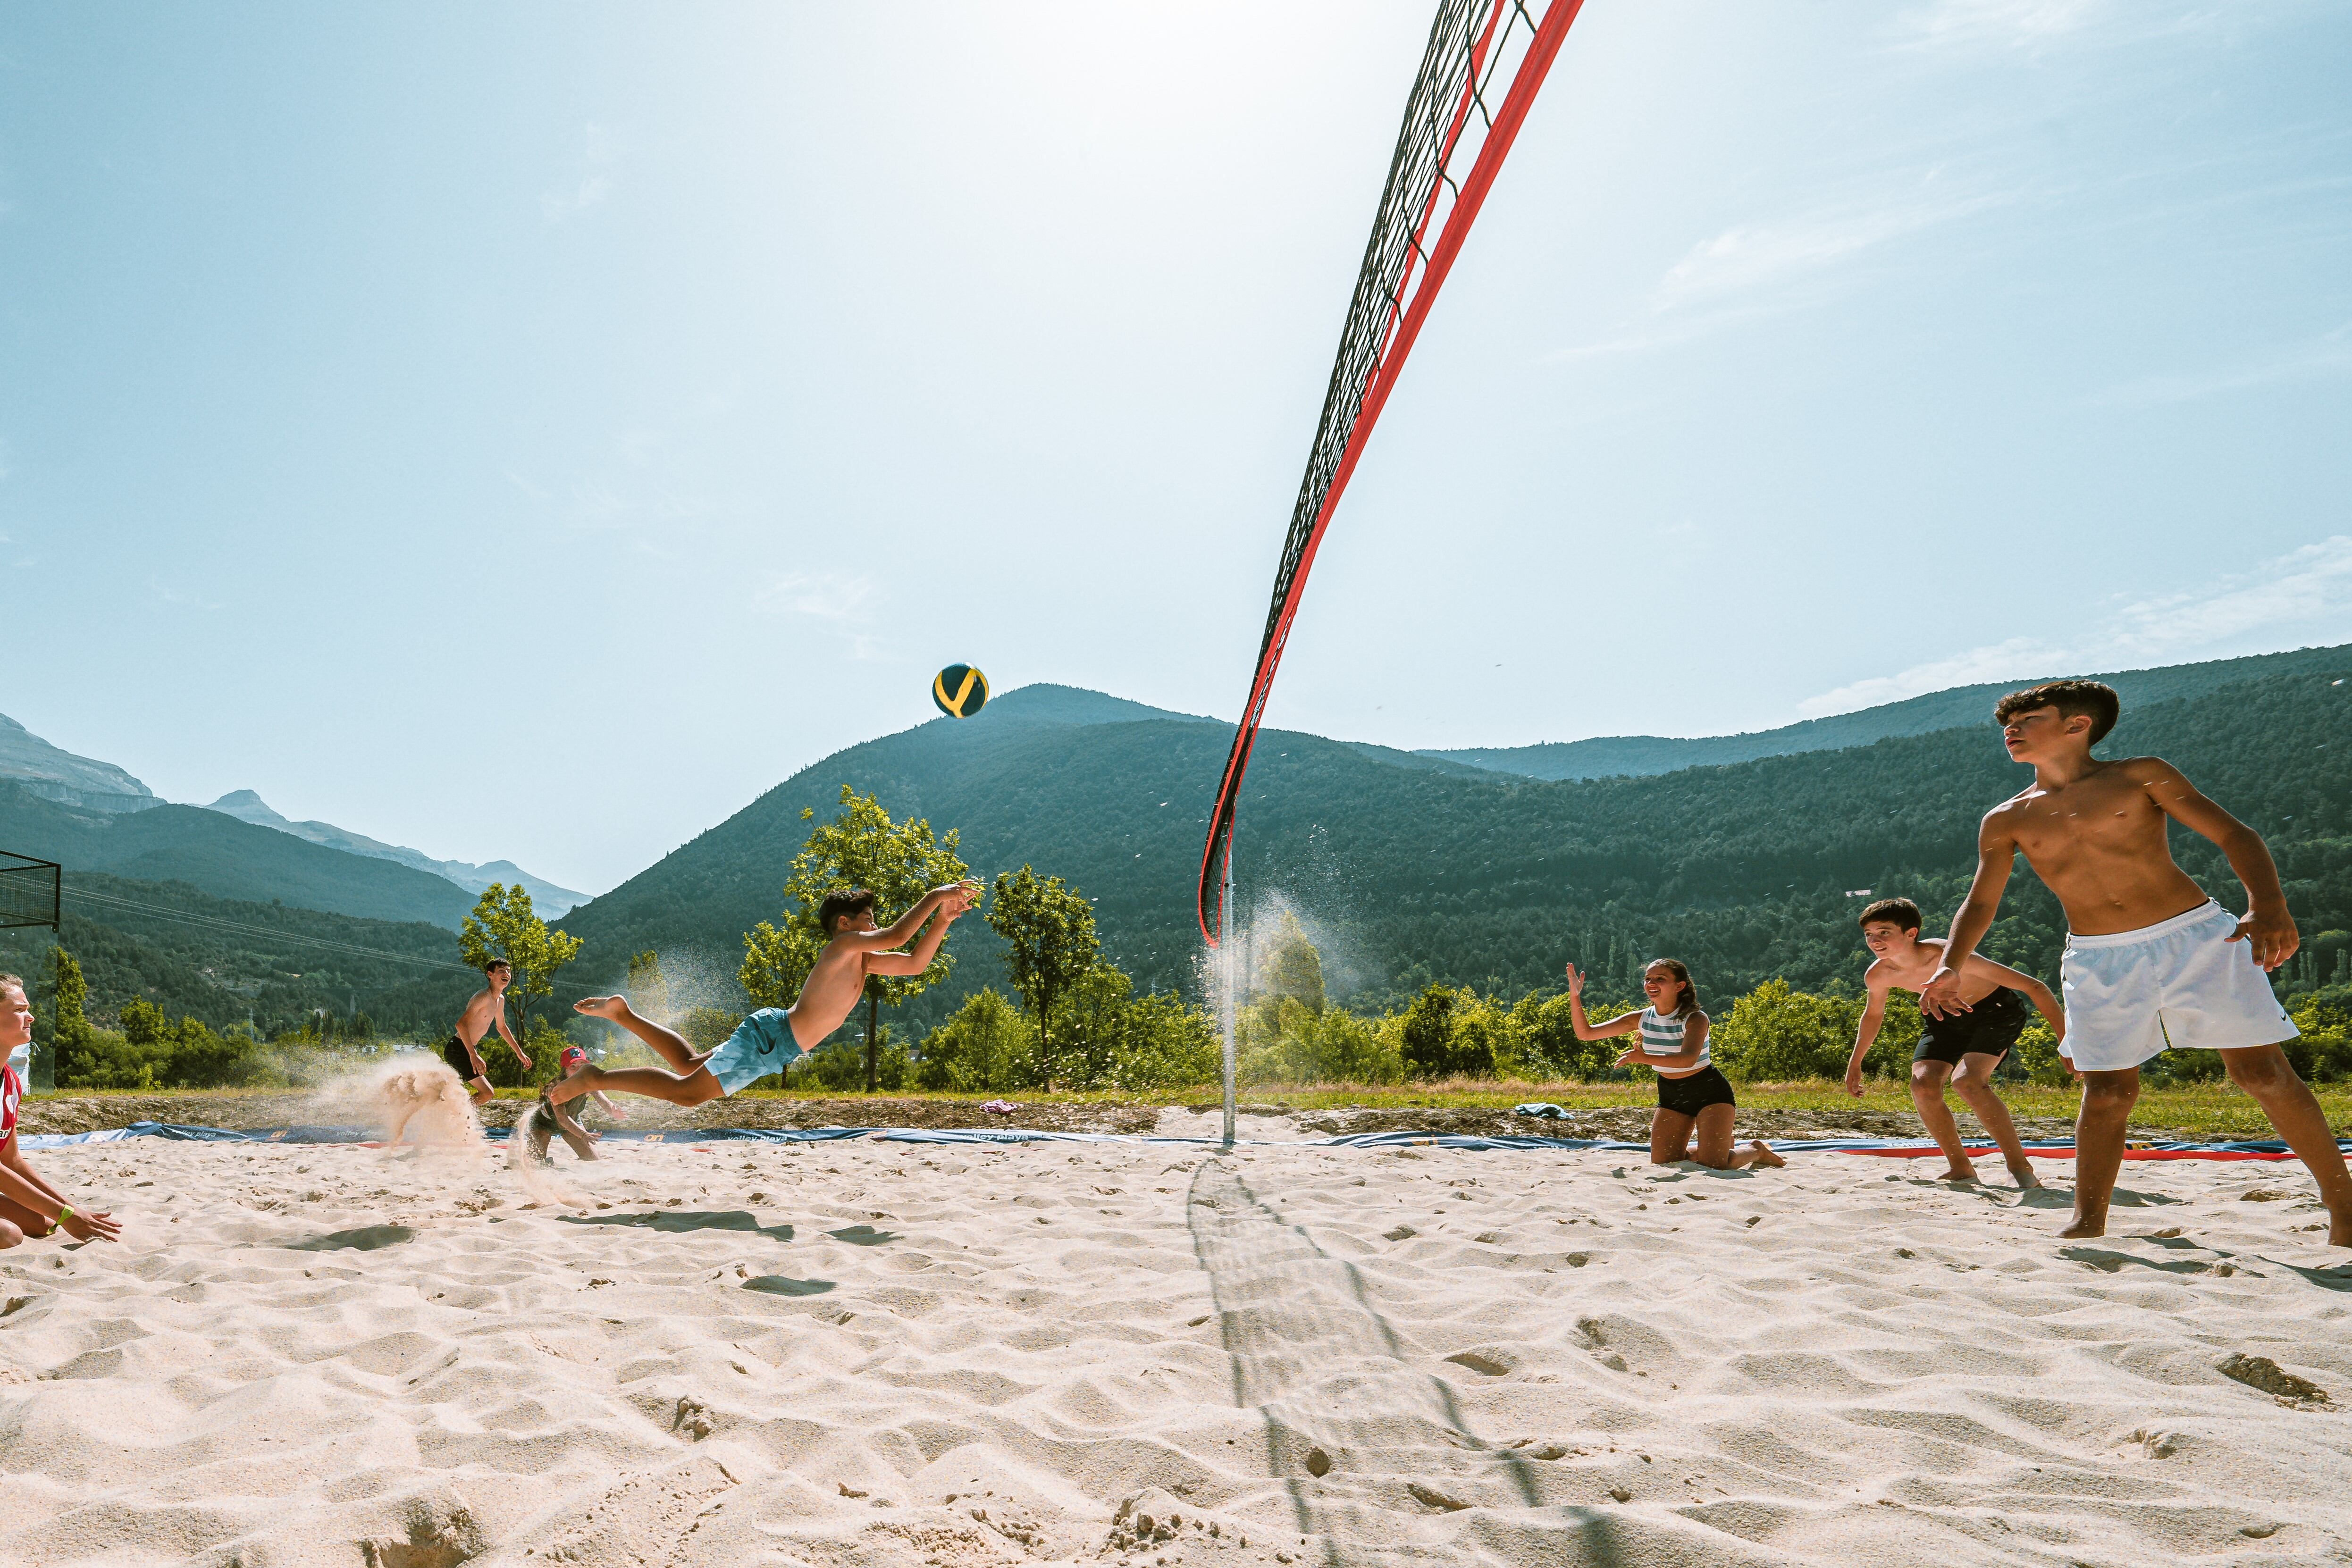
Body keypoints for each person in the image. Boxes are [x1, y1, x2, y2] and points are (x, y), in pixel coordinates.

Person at [1922, 679, 2352, 1244]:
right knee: (2106, 1091)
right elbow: (1981, 900)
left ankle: (2342, 1206)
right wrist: (1950, 963)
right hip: (2099, 959)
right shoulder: (2006, 818)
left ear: (2078, 725)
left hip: (2196, 938)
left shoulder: (2139, 774)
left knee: (2260, 1072)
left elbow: (2233, 833)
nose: (2012, 727)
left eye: (2030, 717)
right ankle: (2087, 1219)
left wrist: (2267, 905)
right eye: (2009, 721)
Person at [549, 882, 976, 1110]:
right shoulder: (842, 947)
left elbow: (916, 961)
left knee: (687, 1066)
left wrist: (943, 919)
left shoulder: (862, 960)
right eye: (868, 918)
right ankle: (596, 1078)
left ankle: (624, 1015)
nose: (875, 924)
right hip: (772, 1039)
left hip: (774, 1042)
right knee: (687, 1092)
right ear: (844, 923)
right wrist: (936, 894)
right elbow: (900, 935)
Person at [1842, 897, 2062, 1187]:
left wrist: (2065, 1042)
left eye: (1884, 932)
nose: (1875, 940)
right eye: (1869, 934)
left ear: (1911, 934)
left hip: (1995, 1013)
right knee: (1923, 1084)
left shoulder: (1949, 957)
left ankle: (2019, 1165)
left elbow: (2036, 987)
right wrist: (1855, 1063)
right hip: (1944, 1016)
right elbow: (1872, 1016)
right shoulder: (1879, 974)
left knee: (1968, 1082)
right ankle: (1961, 1167)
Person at [1565, 958, 1786, 1171]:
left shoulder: (1696, 1018)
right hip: (1671, 1093)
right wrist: (1575, 996)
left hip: (1709, 1092)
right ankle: (1716, 1146)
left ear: (1679, 986)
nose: (1651, 984)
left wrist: (1644, 1058)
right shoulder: (1640, 1018)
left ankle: (1755, 1150)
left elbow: (1687, 1059)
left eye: (1660, 979)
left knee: (1716, 1165)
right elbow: (1586, 1034)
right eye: (1648, 979)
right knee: (1665, 1162)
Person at [0, 973, 121, 1247]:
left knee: (44, 1226)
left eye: (28, 1009)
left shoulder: (10, 1081)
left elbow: (12, 1160)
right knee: (10, 1234)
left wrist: (70, 1209)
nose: (30, 1017)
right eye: (19, 1010)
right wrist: (65, 1214)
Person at [445, 960, 532, 1107]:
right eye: (501, 971)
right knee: (487, 1092)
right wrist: (473, 1055)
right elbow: (461, 1024)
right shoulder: (483, 997)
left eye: (508, 971)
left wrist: (519, 1053)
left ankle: (453, 1114)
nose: (506, 974)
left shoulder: (500, 1000)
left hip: (467, 1048)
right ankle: (457, 1116)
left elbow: (502, 1027)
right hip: (458, 1048)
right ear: (490, 975)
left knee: (461, 1091)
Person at [528, 1045, 626, 1162]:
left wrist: (613, 1111)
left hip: (572, 1120)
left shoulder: (588, 1082)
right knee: (535, 1162)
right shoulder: (555, 1087)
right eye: (573, 1067)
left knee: (593, 1159)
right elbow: (562, 1118)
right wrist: (583, 1134)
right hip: (544, 1123)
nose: (577, 1070)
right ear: (564, 1070)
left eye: (581, 1066)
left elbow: (603, 1100)